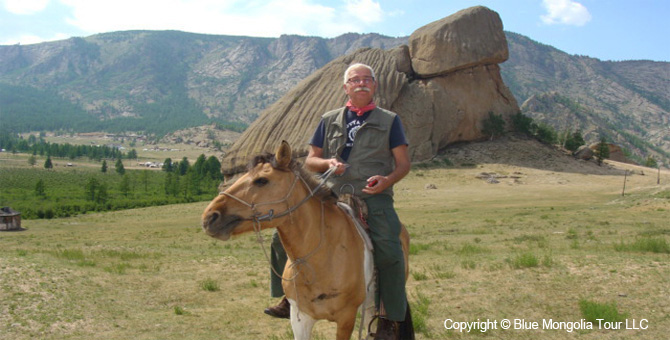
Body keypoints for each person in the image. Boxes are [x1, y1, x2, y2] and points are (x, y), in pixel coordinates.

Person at [266, 63, 411, 339]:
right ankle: (288, 298)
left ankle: (389, 319)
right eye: (355, 80)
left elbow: (403, 164)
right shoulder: (329, 118)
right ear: (346, 87)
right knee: (280, 235)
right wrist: (327, 162)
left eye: (367, 79)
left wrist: (386, 181)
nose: (361, 84)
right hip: (329, 193)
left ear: (375, 85)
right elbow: (311, 159)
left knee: (391, 251)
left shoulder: (390, 120)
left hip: (372, 196)